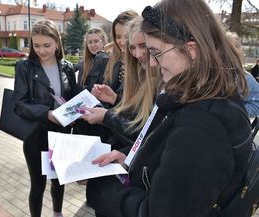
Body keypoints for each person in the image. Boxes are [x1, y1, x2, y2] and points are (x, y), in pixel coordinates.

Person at [86, 1, 252, 217]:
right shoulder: (199, 96)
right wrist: (129, 158)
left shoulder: (203, 127)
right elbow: (168, 154)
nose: (152, 63)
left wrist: (102, 189)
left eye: (155, 52)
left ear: (190, 50)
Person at [13, 20, 77, 217]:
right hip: (37, 137)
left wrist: (74, 115)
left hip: (61, 136)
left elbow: (72, 99)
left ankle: (58, 214)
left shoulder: (67, 67)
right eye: (36, 45)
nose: (41, 50)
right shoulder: (25, 67)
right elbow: (19, 105)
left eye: (47, 45)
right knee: (37, 186)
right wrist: (47, 114)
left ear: (57, 43)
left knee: (58, 180)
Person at [83, 17, 161, 149]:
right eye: (133, 48)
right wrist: (115, 99)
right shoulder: (140, 72)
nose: (137, 54)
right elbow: (137, 117)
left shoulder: (163, 79)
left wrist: (107, 117)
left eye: (143, 45)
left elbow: (149, 134)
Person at [101, 10, 138, 108]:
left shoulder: (145, 65)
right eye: (118, 37)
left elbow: (137, 110)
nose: (122, 42)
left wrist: (114, 99)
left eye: (127, 36)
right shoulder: (112, 59)